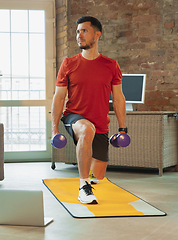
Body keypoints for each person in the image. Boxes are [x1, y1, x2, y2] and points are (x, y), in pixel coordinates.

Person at [51, 16, 126, 204]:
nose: (79, 35)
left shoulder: (111, 65)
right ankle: (83, 187)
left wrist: (122, 129)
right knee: (86, 129)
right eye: (77, 31)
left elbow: (118, 98)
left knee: (98, 175)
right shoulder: (68, 64)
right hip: (74, 117)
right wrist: (54, 129)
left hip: (100, 123)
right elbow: (59, 97)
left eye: (84, 31)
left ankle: (90, 178)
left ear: (97, 34)